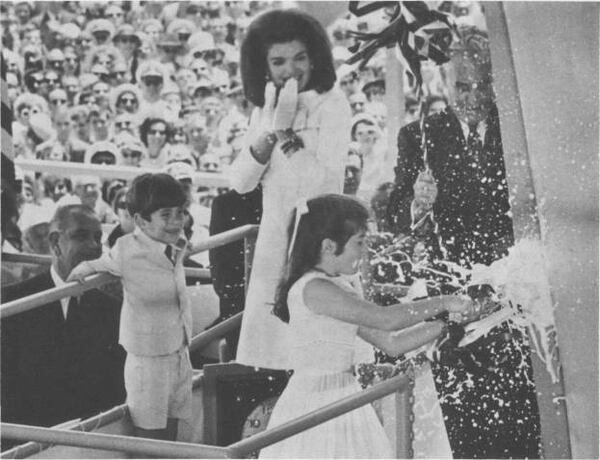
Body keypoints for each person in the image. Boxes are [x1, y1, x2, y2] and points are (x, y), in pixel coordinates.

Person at [385, 27, 541, 458]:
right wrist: (417, 204)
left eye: (483, 84)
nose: (473, 96)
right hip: (451, 299)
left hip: (516, 296)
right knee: (464, 417)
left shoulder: (520, 131)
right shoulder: (418, 136)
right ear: (444, 84)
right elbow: (394, 214)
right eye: (463, 86)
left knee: (521, 417)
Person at [260, 194, 475, 458]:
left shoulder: (338, 286)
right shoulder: (314, 288)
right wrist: (445, 301)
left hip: (344, 394)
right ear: (328, 246)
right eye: (359, 242)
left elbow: (391, 342)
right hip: (316, 400)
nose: (364, 251)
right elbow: (386, 318)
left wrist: (448, 325)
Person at [229, 8, 352, 370]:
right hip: (274, 245)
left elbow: (325, 186)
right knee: (272, 359)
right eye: (279, 61)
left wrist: (287, 136)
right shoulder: (264, 106)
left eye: (300, 58)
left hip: (320, 241)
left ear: (314, 58)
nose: (291, 70)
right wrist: (267, 135)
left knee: (318, 357)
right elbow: (240, 181)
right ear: (264, 66)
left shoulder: (333, 103)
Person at [68, 174, 193, 442]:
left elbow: (179, 248)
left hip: (179, 351)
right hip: (147, 360)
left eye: (180, 212)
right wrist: (81, 270)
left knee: (172, 434)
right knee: (148, 441)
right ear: (140, 221)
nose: (176, 221)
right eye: (166, 214)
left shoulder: (176, 242)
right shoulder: (126, 250)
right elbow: (100, 263)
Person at [1, 205, 125, 435]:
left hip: (92, 440)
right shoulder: (14, 302)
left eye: (98, 238)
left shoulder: (112, 309)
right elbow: (7, 386)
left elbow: (114, 389)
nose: (94, 247)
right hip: (27, 440)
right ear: (56, 242)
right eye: (81, 236)